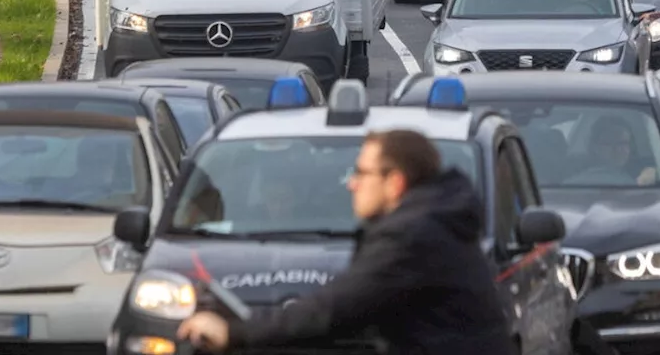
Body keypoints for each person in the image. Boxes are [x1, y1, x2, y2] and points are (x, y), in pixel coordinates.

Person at [176, 129, 513, 355]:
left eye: (362, 173)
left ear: (394, 183)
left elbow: (335, 309)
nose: (351, 183)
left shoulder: (413, 236)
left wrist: (233, 333)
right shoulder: (431, 221)